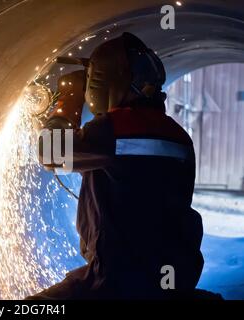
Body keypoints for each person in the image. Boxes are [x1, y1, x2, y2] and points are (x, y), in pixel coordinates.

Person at [29, 32, 208, 299]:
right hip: (173, 276)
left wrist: (66, 99)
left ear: (106, 82)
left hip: (119, 278)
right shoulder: (179, 136)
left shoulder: (116, 128)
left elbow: (51, 151)